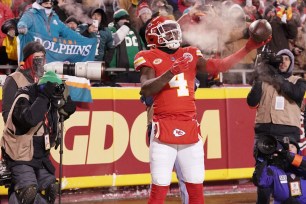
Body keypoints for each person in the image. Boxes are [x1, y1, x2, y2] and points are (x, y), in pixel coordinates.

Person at [134, 15, 269, 203]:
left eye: (174, 29)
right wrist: (170, 72)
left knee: (196, 187)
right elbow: (146, 87)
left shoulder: (190, 53)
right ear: (152, 37)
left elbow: (218, 66)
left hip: (190, 128)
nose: (173, 33)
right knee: (159, 187)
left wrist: (248, 47)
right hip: (163, 128)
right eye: (166, 31)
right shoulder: (147, 56)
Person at [1, 70, 76, 204]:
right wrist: (43, 97)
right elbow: (30, 119)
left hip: (39, 154)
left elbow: (50, 122)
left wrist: (66, 111)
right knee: (27, 191)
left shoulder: (49, 99)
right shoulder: (24, 97)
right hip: (19, 153)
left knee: (51, 188)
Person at [247, 48, 306, 204]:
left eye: (287, 59)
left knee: (290, 174)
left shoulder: (298, 81)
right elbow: (251, 101)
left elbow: (296, 94)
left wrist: (274, 76)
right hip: (264, 133)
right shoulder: (264, 80)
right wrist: (259, 75)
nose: (283, 62)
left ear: (292, 63)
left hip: (287, 134)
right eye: (280, 58)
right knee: (263, 177)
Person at [2, 41, 46, 123]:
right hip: (25, 133)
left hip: (45, 133)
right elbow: (7, 113)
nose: (40, 61)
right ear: (28, 58)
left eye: (42, 57)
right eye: (36, 57)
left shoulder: (46, 78)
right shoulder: (14, 79)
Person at [254, 137, 306, 204]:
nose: (289, 149)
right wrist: (261, 160)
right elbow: (260, 182)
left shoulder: (303, 163)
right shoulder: (274, 169)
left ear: (298, 150)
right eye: (286, 147)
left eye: (292, 146)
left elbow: (302, 163)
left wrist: (287, 154)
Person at [105, 9, 144, 83]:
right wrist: (125, 28)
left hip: (135, 71)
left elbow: (142, 48)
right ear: (117, 20)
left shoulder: (134, 30)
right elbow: (114, 41)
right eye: (123, 19)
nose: (126, 21)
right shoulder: (112, 29)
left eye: (127, 19)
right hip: (118, 72)